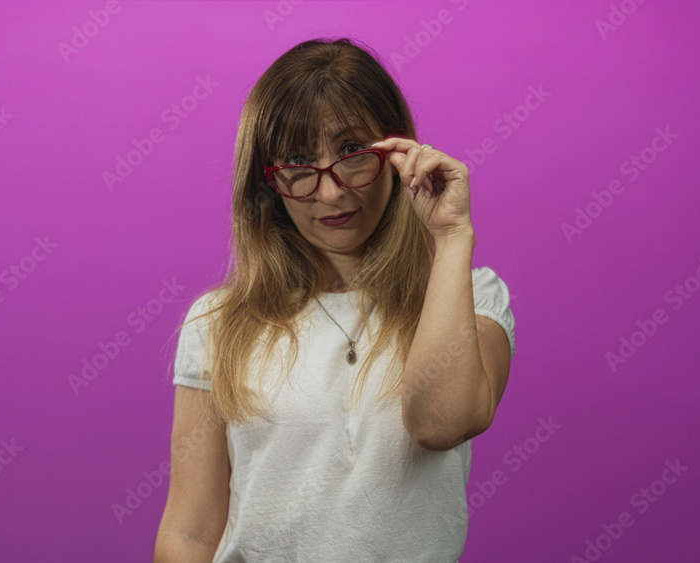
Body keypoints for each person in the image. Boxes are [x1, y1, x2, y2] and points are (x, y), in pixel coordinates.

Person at [154, 37, 516, 562]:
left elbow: (440, 424)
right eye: (299, 163)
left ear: (398, 152)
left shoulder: (473, 296)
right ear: (268, 184)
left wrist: (453, 235)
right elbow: (189, 533)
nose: (330, 192)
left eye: (351, 153)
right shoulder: (218, 322)